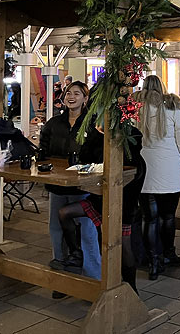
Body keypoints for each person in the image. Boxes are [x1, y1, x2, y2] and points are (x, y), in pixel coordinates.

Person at [56, 125, 146, 292]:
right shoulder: (96, 133)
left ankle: (131, 288)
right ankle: (76, 253)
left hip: (122, 205)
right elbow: (85, 155)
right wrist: (97, 135)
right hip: (99, 198)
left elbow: (130, 166)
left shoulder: (131, 138)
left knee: (124, 247)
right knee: (64, 213)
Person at [41, 81, 101, 289]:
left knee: (87, 231)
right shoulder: (54, 123)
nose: (71, 96)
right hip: (57, 185)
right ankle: (60, 274)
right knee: (56, 229)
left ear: (85, 99)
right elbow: (44, 150)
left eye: (77, 93)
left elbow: (99, 154)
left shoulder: (93, 124)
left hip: (83, 188)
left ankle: (93, 277)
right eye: (68, 93)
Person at [137, 75, 180, 280]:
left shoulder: (136, 109)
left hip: (144, 171)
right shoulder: (173, 108)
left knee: (149, 218)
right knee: (168, 217)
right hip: (169, 169)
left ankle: (153, 261)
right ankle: (169, 254)